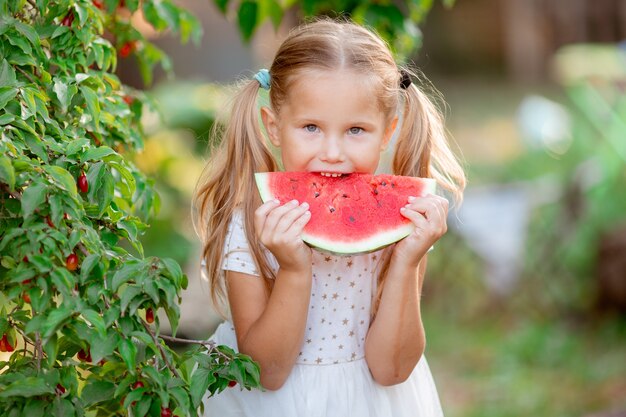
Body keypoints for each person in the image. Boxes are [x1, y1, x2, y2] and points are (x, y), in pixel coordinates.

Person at [193, 18, 466, 417]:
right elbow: (267, 372)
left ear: (387, 133)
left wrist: (407, 261)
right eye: (311, 128)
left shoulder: (402, 229)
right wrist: (294, 269)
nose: (333, 152)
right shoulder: (250, 227)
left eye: (356, 130)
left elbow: (391, 369)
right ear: (273, 126)